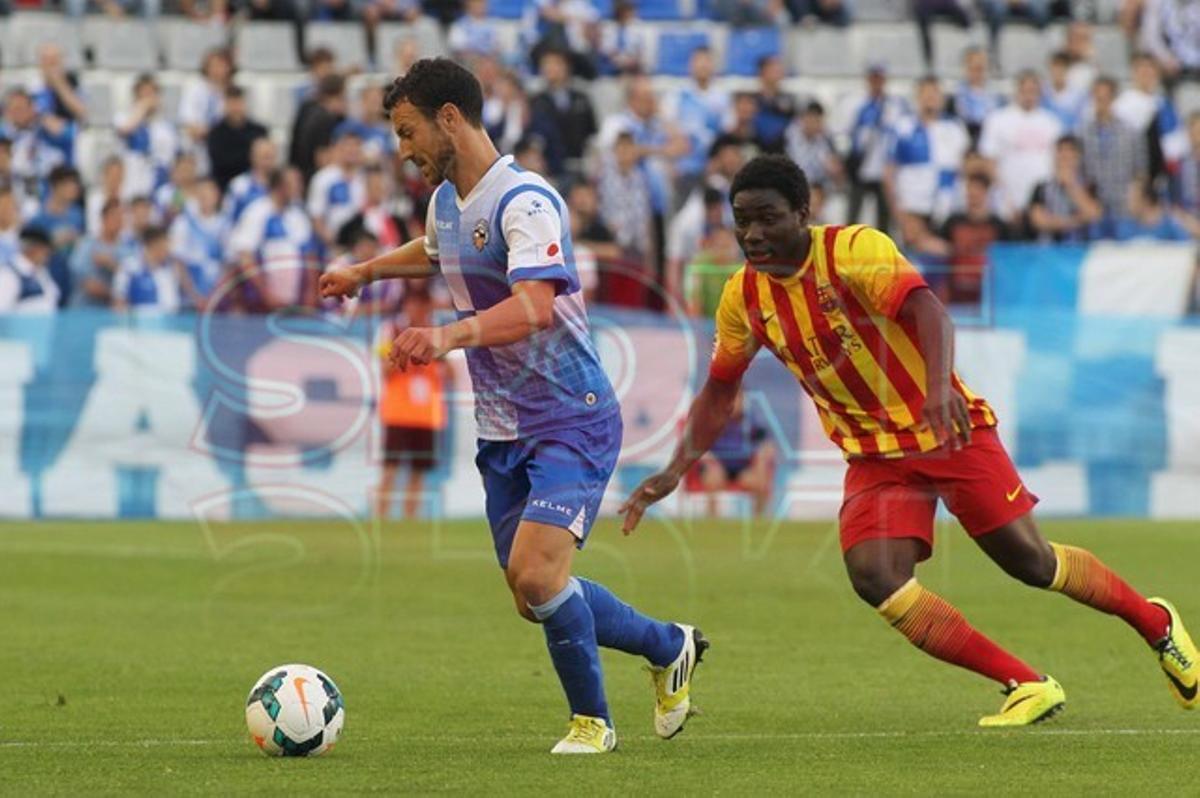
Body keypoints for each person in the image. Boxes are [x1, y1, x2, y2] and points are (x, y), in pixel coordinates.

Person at [621, 154, 1200, 728]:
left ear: (803, 212)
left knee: (1031, 562)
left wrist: (937, 389)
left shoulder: (853, 250)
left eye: (767, 218)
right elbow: (720, 390)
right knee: (876, 576)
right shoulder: (743, 298)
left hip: (946, 431)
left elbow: (929, 311)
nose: (752, 234)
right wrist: (674, 469)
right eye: (742, 220)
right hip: (874, 457)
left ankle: (1156, 624)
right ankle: (1025, 683)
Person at [318, 58, 705, 754]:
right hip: (503, 426)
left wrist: (447, 336)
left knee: (538, 573)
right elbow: (436, 251)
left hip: (571, 414)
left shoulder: (525, 201)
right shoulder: (446, 202)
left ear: (449, 119)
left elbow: (533, 307)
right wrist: (365, 272)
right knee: (533, 596)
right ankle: (666, 645)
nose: (402, 150)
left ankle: (592, 725)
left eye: (407, 132)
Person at [376, 286, 450, 519]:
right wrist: (405, 352)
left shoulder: (438, 335)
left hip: (426, 415)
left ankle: (411, 521)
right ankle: (380, 517)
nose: (417, 310)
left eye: (422, 305)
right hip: (398, 412)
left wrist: (435, 353)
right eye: (413, 304)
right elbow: (384, 370)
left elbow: (449, 373)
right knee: (390, 469)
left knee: (418, 472)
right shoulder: (392, 332)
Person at [693, 388, 774, 517]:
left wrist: (762, 457)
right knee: (713, 477)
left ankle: (759, 521)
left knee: (760, 479)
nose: (734, 403)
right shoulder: (711, 420)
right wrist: (711, 460)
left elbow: (767, 444)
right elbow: (697, 446)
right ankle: (712, 521)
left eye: (738, 398)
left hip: (741, 469)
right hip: (717, 467)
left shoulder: (750, 420)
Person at [1028, 135, 1103, 242]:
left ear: (1078, 157)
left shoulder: (1089, 185)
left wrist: (1071, 185)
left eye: (1069, 152)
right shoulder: (1041, 187)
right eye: (1061, 151)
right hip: (1049, 247)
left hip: (1081, 247)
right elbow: (1038, 221)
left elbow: (1094, 215)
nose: (1064, 156)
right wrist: (1076, 221)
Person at [207, 86, 270, 193]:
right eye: (232, 103)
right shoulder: (216, 133)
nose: (235, 108)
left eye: (238, 103)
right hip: (224, 187)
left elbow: (266, 159)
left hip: (256, 186)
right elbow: (221, 162)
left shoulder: (259, 131)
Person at [0, 226, 59, 313]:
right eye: (46, 251)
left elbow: (52, 297)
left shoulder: (42, 272)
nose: (49, 255)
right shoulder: (8, 274)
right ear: (34, 249)